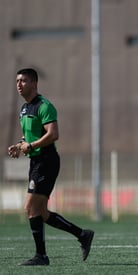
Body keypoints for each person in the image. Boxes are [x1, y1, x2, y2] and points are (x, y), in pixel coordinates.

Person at [7, 68, 94, 265]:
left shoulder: (44, 106)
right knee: (41, 212)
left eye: (24, 80)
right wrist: (20, 145)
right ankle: (82, 235)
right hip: (36, 161)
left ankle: (41, 256)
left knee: (30, 208)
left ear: (34, 84)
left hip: (47, 161)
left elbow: (53, 134)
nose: (19, 84)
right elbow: (31, 135)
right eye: (17, 81)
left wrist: (31, 146)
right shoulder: (24, 108)